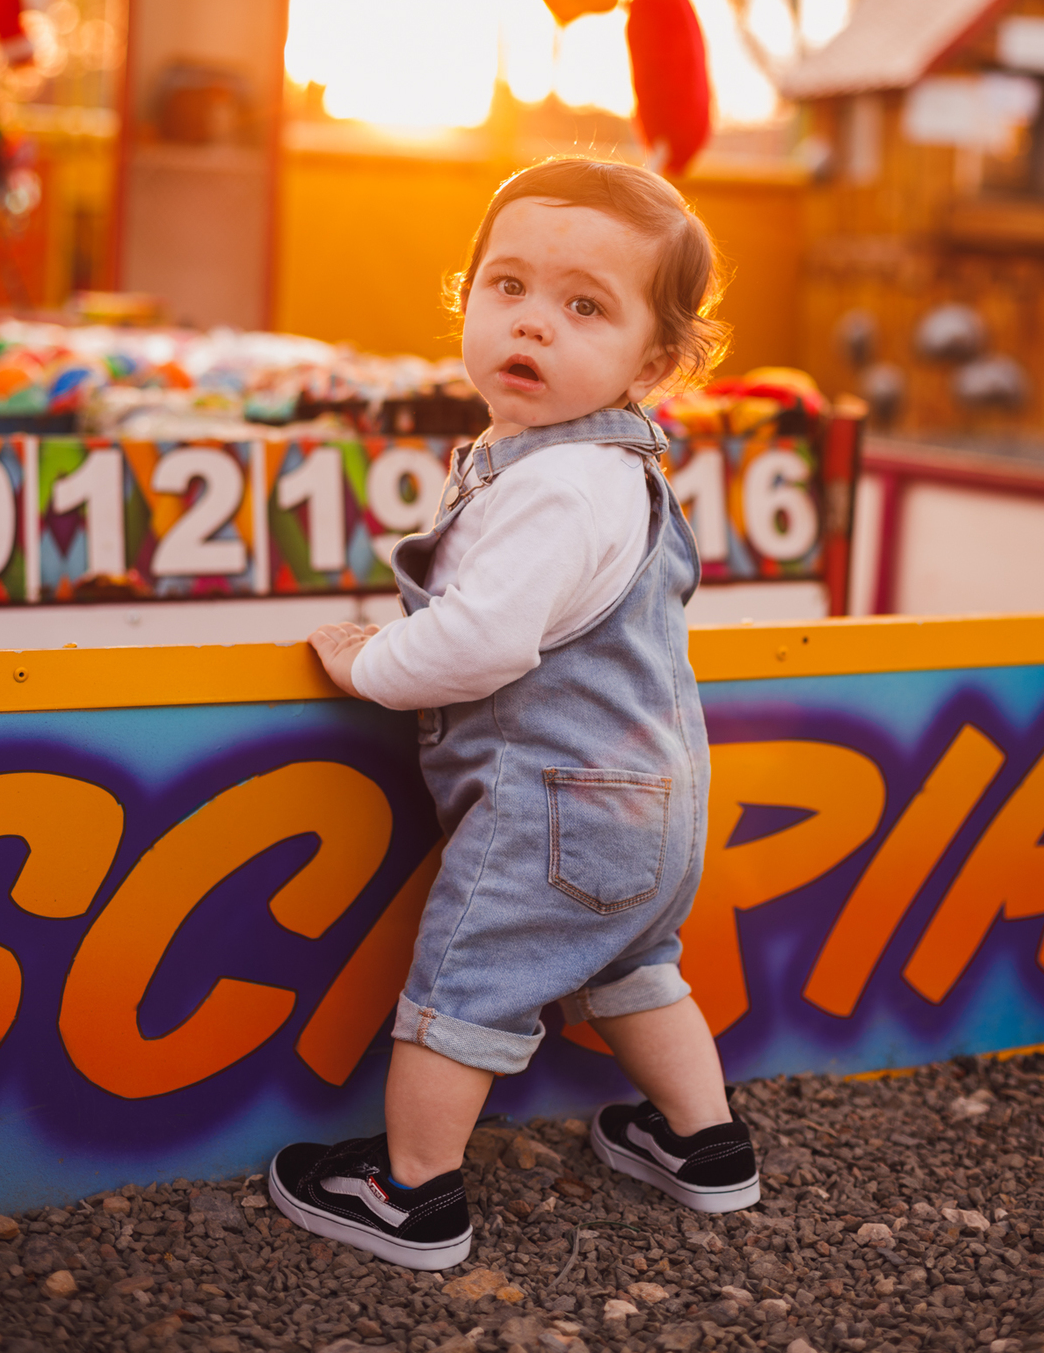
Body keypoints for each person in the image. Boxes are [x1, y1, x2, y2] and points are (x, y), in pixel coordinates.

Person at [269, 157, 761, 1271]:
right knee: (635, 965)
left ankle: (413, 1196)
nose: (533, 324)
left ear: (656, 359)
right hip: (656, 799)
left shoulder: (554, 485)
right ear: (467, 297)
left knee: (462, 988)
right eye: (508, 287)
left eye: (584, 306)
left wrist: (368, 660)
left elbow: (484, 643)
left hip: (551, 808)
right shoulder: (618, 470)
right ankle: (708, 1145)